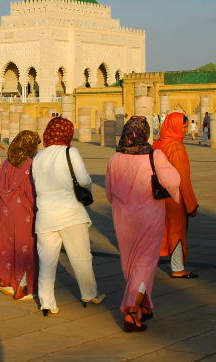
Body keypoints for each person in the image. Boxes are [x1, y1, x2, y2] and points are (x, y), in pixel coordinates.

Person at [106, 117, 181, 332]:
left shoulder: (115, 158)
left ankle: (143, 305)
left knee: (130, 262)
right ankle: (131, 311)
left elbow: (109, 192)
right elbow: (173, 181)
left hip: (123, 216)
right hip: (149, 216)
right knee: (145, 262)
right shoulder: (154, 155)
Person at [32, 117, 105, 316]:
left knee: (46, 263)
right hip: (70, 213)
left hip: (45, 215)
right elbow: (84, 180)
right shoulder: (70, 152)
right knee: (81, 258)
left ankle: (47, 303)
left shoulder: (38, 156)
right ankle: (89, 294)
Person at [0, 131, 41, 301]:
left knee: (7, 245)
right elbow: (30, 192)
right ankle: (22, 288)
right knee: (24, 248)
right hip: (23, 213)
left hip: (5, 211)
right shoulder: (28, 164)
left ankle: (4, 281)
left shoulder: (7, 163)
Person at [154, 113, 200, 279]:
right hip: (174, 198)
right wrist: (191, 204)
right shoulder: (176, 148)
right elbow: (183, 180)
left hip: (159, 195)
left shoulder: (159, 144)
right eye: (184, 127)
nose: (185, 130)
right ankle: (178, 267)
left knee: (163, 230)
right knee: (177, 230)